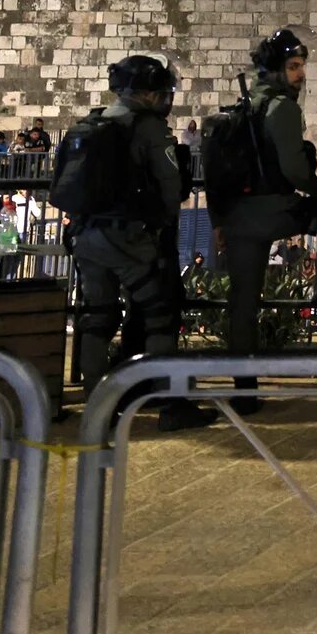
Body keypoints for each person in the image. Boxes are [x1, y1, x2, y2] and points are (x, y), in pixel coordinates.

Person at [56, 55, 216, 429]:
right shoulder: (148, 128)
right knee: (160, 315)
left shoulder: (92, 122)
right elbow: (170, 185)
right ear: (145, 92)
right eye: (159, 91)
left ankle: (99, 406)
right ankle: (170, 405)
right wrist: (162, 232)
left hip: (87, 235)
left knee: (98, 318)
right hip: (128, 238)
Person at [216, 29, 317, 412]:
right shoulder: (282, 108)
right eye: (294, 67)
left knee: (243, 304)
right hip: (275, 212)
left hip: (238, 217)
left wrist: (218, 221)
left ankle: (244, 391)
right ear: (277, 70)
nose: (301, 74)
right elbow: (295, 169)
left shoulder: (240, 109)